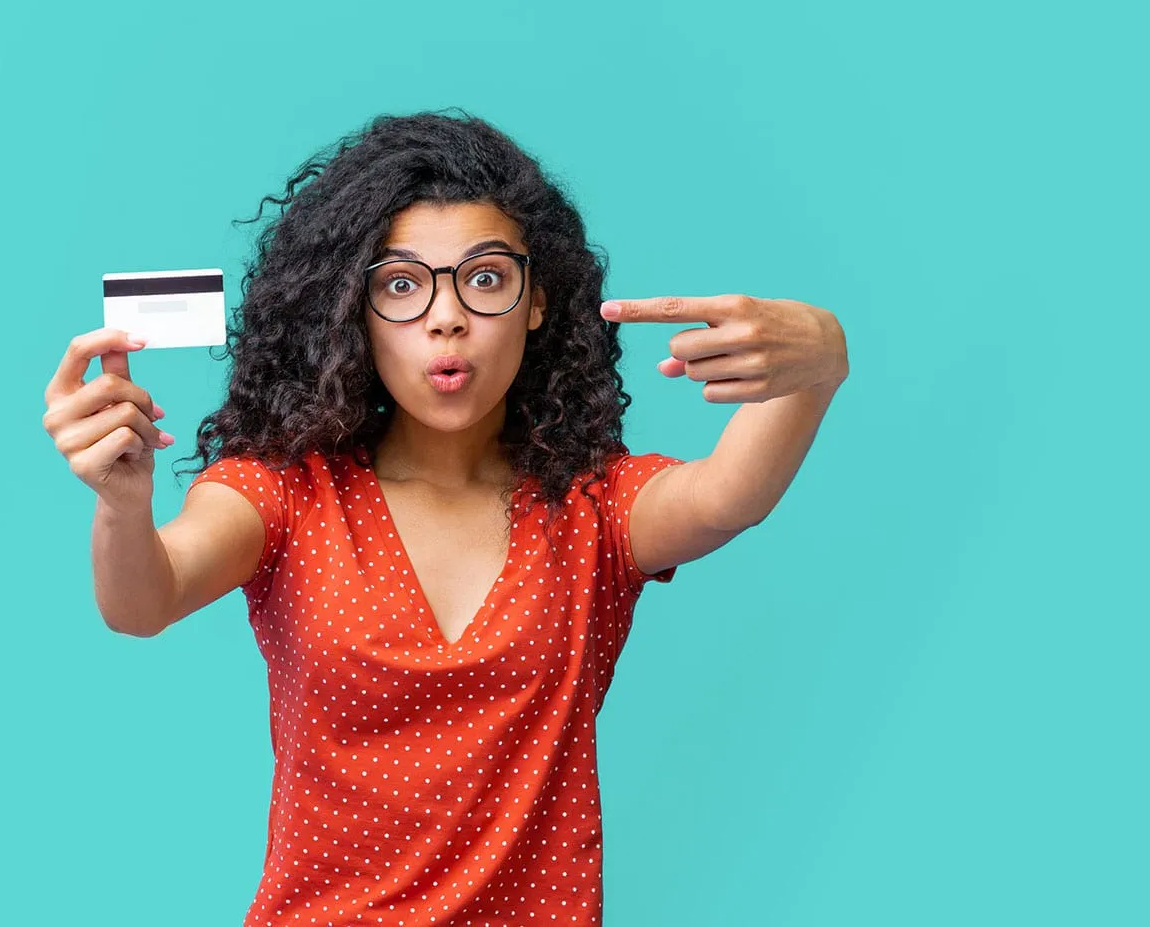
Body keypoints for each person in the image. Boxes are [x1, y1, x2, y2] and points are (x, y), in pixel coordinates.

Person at [42, 109, 849, 925]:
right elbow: (143, 600)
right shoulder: (284, 494)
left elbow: (729, 496)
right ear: (354, 315)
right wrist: (123, 502)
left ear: (537, 303)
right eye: (401, 285)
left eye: (486, 278)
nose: (446, 316)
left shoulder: (595, 507)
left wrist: (820, 357)